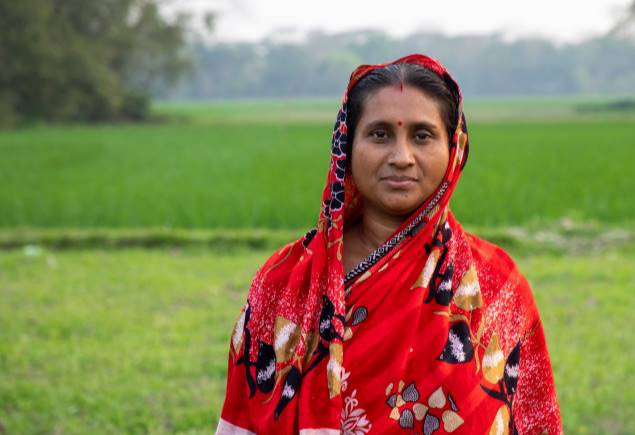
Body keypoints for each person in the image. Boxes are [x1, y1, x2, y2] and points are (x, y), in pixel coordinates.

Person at [216, 54, 562, 435]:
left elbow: (532, 420)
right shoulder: (285, 283)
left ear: (454, 148)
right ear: (347, 147)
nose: (402, 157)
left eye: (422, 135)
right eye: (380, 134)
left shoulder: (494, 281)